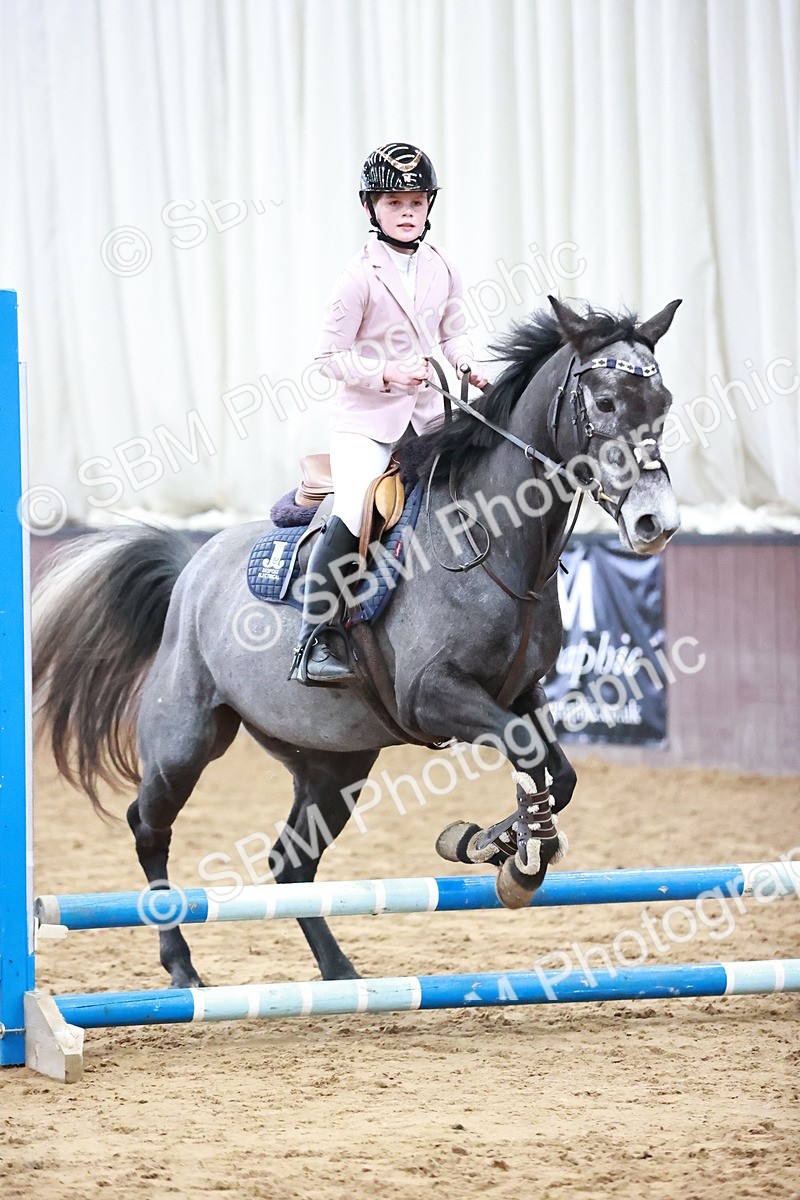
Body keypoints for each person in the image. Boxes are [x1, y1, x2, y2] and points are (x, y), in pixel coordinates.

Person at [289, 141, 488, 686]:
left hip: (427, 417)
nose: (407, 211)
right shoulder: (355, 278)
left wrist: (469, 365)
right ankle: (318, 634)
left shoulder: (443, 265)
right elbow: (327, 358)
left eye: (417, 201)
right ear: (371, 207)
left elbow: (455, 332)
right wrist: (386, 375)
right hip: (367, 425)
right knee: (355, 507)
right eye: (395, 201)